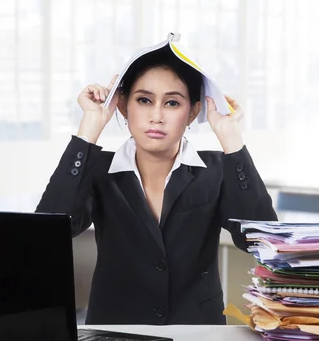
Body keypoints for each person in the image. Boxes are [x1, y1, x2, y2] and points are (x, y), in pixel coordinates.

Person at [36, 47, 277, 325]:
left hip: (197, 334)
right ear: (124, 106)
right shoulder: (98, 169)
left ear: (192, 112)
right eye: (144, 100)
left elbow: (263, 241)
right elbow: (48, 232)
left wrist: (230, 137)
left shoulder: (216, 169)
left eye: (172, 103)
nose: (157, 116)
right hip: (115, 332)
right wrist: (89, 128)